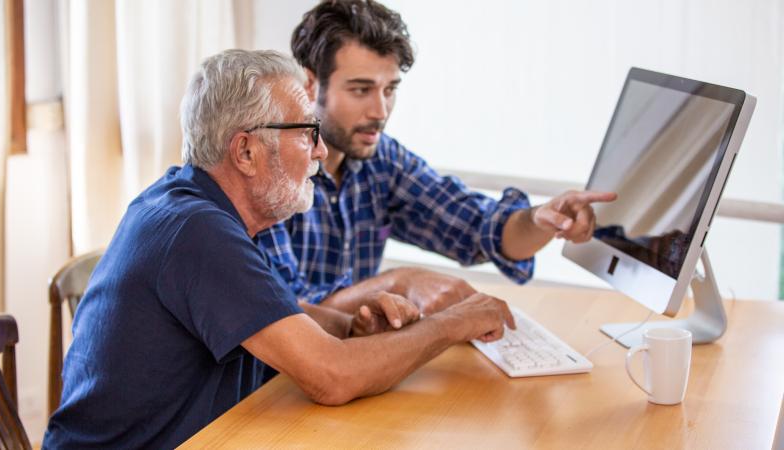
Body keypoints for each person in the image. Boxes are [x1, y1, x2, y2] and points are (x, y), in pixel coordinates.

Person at [42, 49, 514, 449]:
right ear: (245, 151)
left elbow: (267, 315)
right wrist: (455, 323)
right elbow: (332, 378)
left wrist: (350, 323)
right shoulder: (197, 232)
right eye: (307, 132)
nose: (321, 151)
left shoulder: (196, 206)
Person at [256, 0, 616, 315]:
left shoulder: (381, 160)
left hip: (353, 366)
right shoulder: (268, 173)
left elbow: (478, 229)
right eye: (361, 89)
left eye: (390, 89)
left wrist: (541, 218)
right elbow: (288, 311)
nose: (380, 110)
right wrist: (401, 282)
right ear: (309, 84)